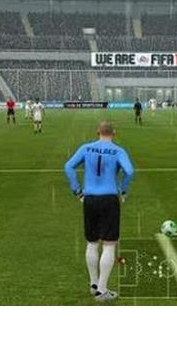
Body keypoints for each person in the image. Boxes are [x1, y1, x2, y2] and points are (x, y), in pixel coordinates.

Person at [64, 120, 135, 303]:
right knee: (109, 244)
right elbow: (129, 171)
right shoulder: (118, 151)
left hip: (89, 198)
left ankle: (93, 284)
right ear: (114, 133)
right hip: (109, 198)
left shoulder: (86, 148)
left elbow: (68, 167)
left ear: (98, 131)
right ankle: (102, 290)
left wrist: (77, 190)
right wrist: (123, 189)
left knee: (92, 242)